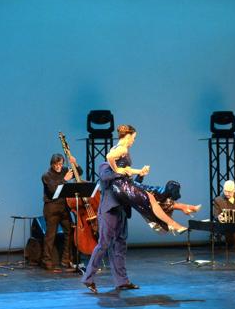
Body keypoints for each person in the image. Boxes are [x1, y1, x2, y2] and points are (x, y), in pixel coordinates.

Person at [81, 124, 198, 293]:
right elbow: (108, 177)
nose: (133, 142)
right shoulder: (105, 166)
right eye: (133, 138)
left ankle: (122, 281)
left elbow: (130, 189)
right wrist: (123, 171)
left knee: (120, 244)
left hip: (122, 208)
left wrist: (139, 175)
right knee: (104, 244)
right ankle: (88, 278)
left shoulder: (123, 167)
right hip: (109, 209)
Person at [40, 153, 81, 272]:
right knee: (50, 236)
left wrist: (74, 163)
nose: (59, 166)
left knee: (69, 232)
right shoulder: (46, 175)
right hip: (51, 208)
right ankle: (46, 261)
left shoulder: (64, 170)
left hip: (64, 207)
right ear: (52, 164)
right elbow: (53, 190)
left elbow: (79, 172)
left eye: (61, 164)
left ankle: (66, 260)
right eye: (56, 164)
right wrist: (64, 180)